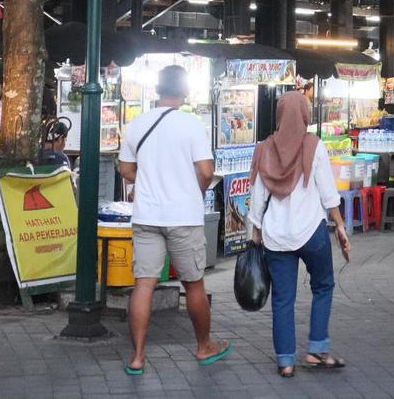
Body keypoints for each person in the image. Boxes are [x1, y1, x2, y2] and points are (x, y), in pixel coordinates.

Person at [118, 64, 229, 374]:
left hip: (147, 215)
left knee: (143, 286)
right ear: (184, 91)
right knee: (193, 284)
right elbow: (206, 171)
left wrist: (146, 181)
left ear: (157, 89)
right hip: (183, 215)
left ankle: (138, 357)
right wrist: (194, 190)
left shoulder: (137, 124)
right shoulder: (191, 125)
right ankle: (204, 346)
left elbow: (125, 169)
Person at [247, 91, 349, 378]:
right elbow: (329, 194)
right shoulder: (313, 146)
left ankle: (286, 361)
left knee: (282, 298)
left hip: (276, 236)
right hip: (310, 232)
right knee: (323, 285)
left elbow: (257, 197)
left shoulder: (264, 148)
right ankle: (317, 350)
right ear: (304, 114)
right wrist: (340, 225)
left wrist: (255, 231)